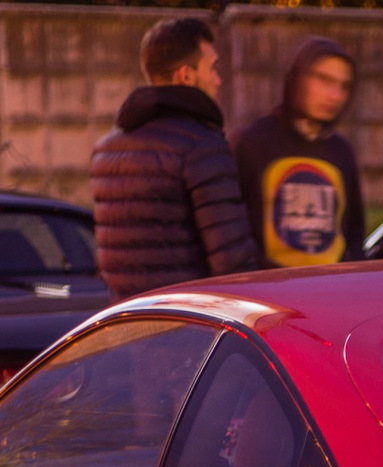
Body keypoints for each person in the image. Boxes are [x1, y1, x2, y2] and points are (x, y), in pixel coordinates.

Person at [91, 16, 260, 299]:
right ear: (186, 76)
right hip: (189, 328)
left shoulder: (106, 150)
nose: (218, 81)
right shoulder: (201, 146)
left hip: (126, 324)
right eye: (212, 69)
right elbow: (232, 262)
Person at [231, 38, 366, 268]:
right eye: (324, 80)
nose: (335, 95)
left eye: (344, 86)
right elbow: (230, 232)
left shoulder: (341, 150)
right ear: (297, 78)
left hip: (330, 290)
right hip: (268, 292)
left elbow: (354, 230)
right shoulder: (250, 143)